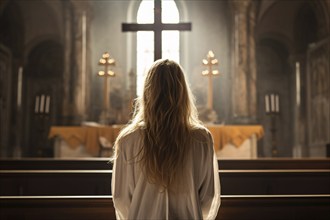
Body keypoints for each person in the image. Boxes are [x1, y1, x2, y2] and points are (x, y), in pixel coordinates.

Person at [111, 59, 221, 219]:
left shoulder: (129, 139)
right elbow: (209, 197)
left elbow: (121, 198)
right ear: (183, 92)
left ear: (148, 92)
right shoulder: (201, 138)